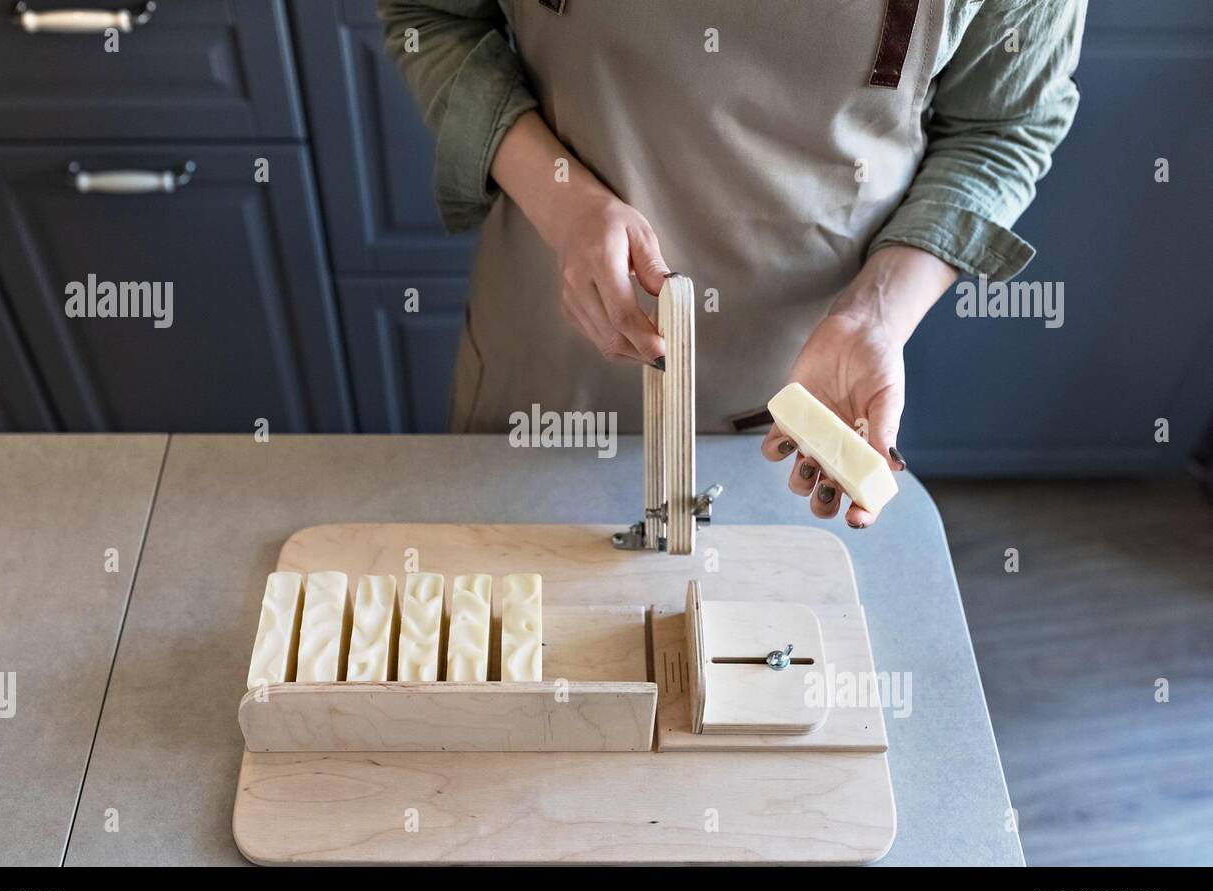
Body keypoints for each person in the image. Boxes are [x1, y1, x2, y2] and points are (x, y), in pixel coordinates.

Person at [379, 0, 1086, 527]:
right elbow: (431, 17)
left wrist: (877, 313)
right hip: (541, 370)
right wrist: (565, 205)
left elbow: (1003, 128)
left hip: (798, 413)